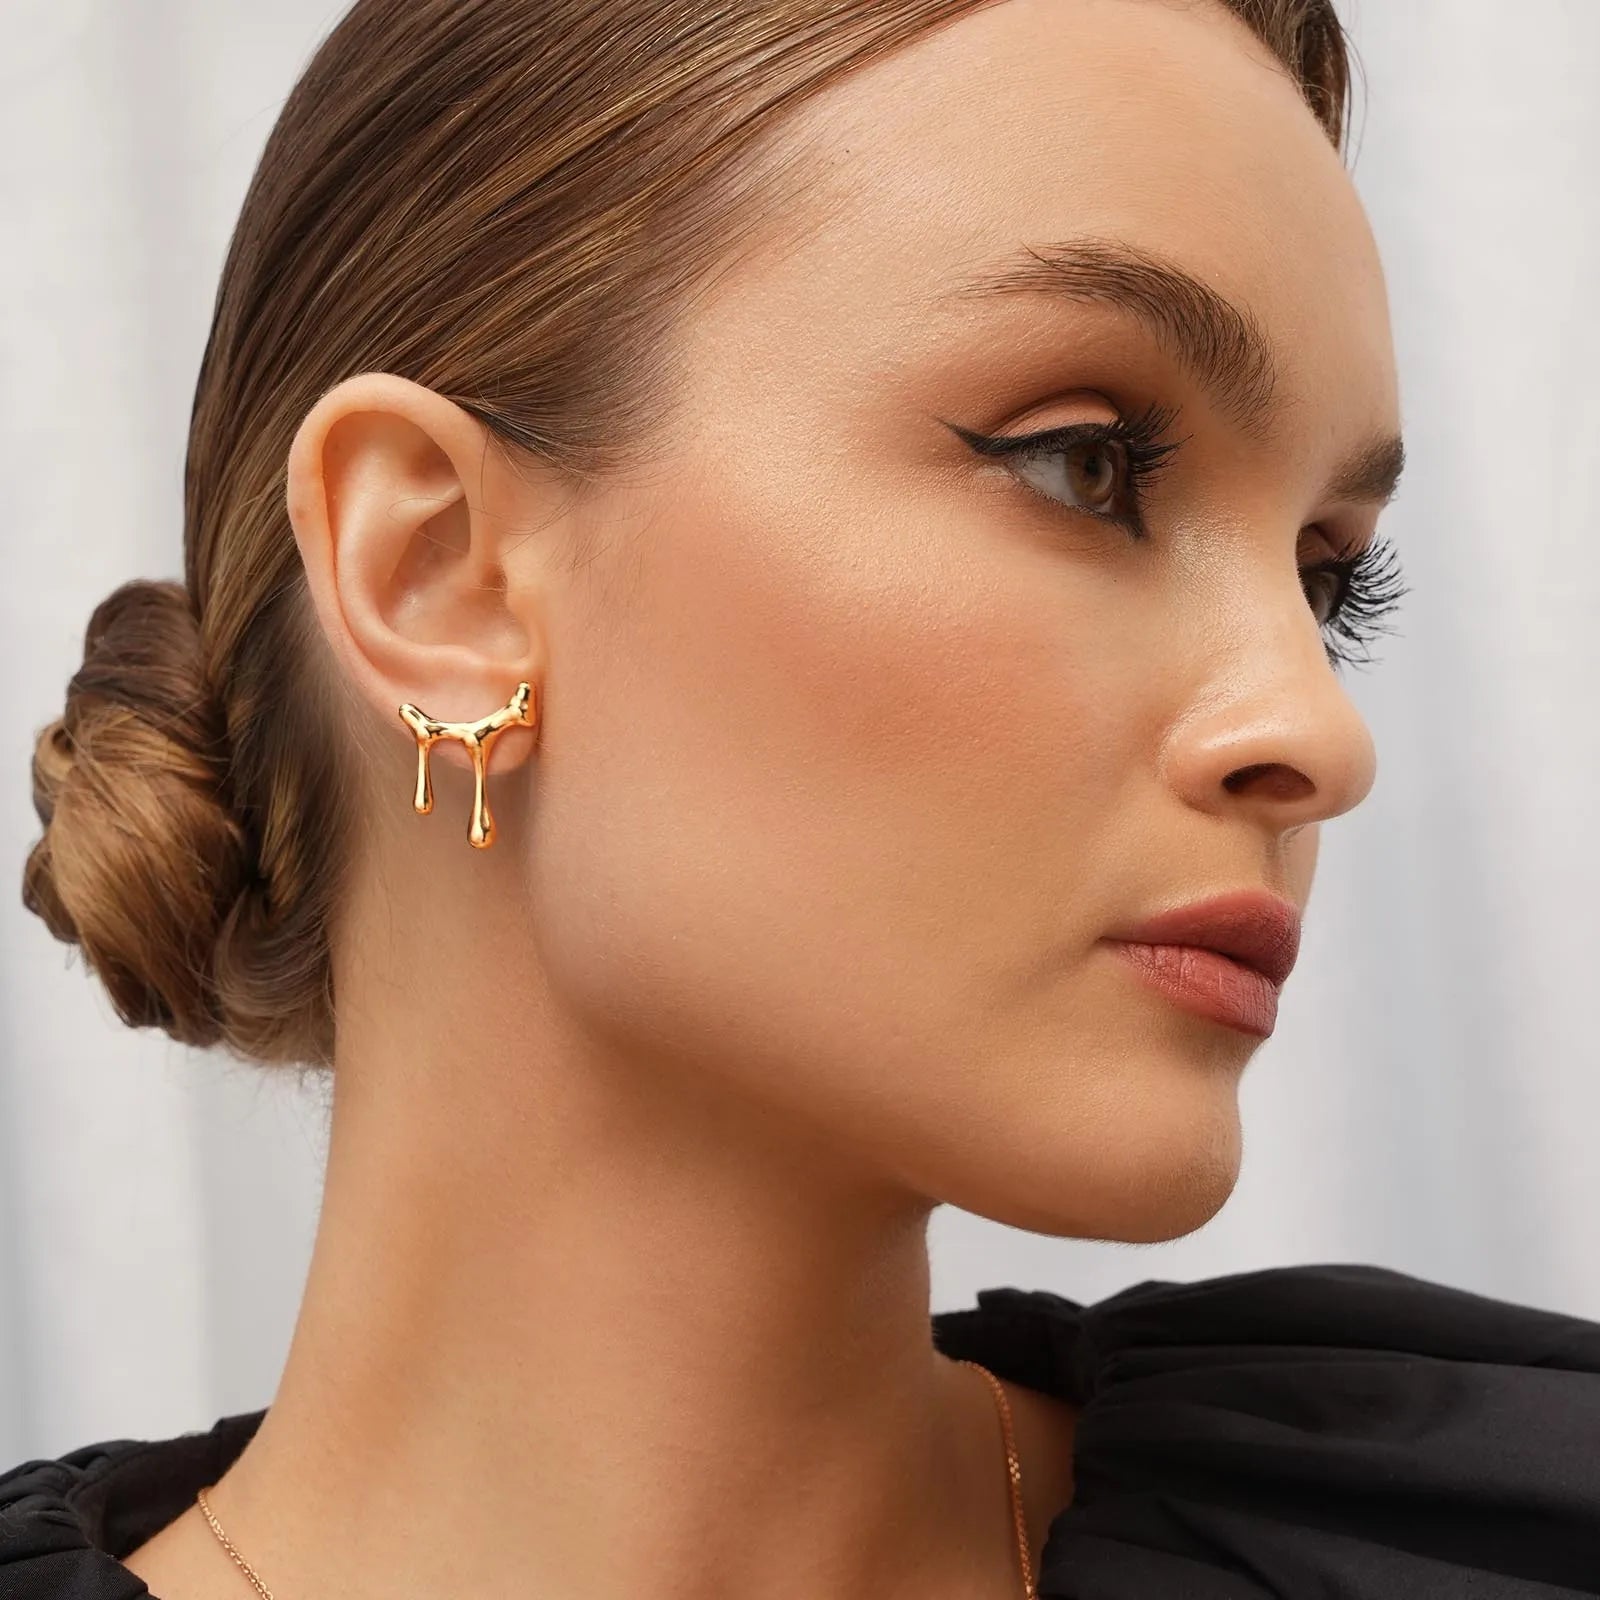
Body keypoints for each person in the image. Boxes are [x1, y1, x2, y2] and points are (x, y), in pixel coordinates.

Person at [6, 0, 1600, 1595]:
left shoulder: (1511, 1522)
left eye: (1328, 580)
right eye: (1088, 464)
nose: (1318, 733)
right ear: (434, 577)